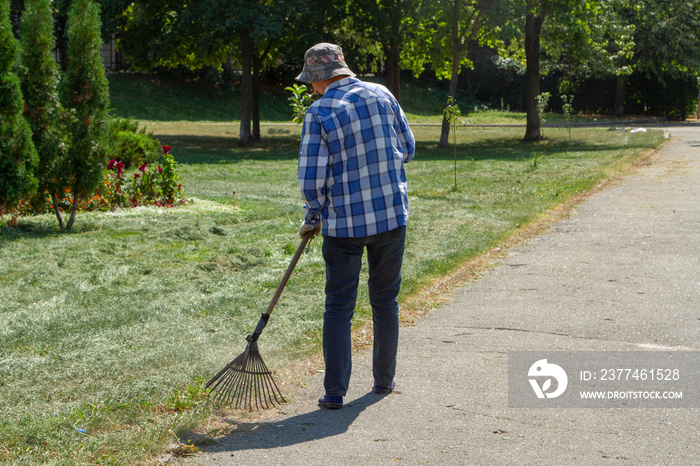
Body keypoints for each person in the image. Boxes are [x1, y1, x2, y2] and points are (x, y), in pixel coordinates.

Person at [295, 43, 415, 409]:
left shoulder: (319, 112)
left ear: (321, 79)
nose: (310, 89)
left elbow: (312, 179)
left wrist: (312, 214)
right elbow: (407, 148)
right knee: (385, 300)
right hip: (391, 217)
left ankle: (334, 393)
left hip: (344, 226)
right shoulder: (383, 94)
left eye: (311, 82)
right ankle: (384, 381)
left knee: (339, 306)